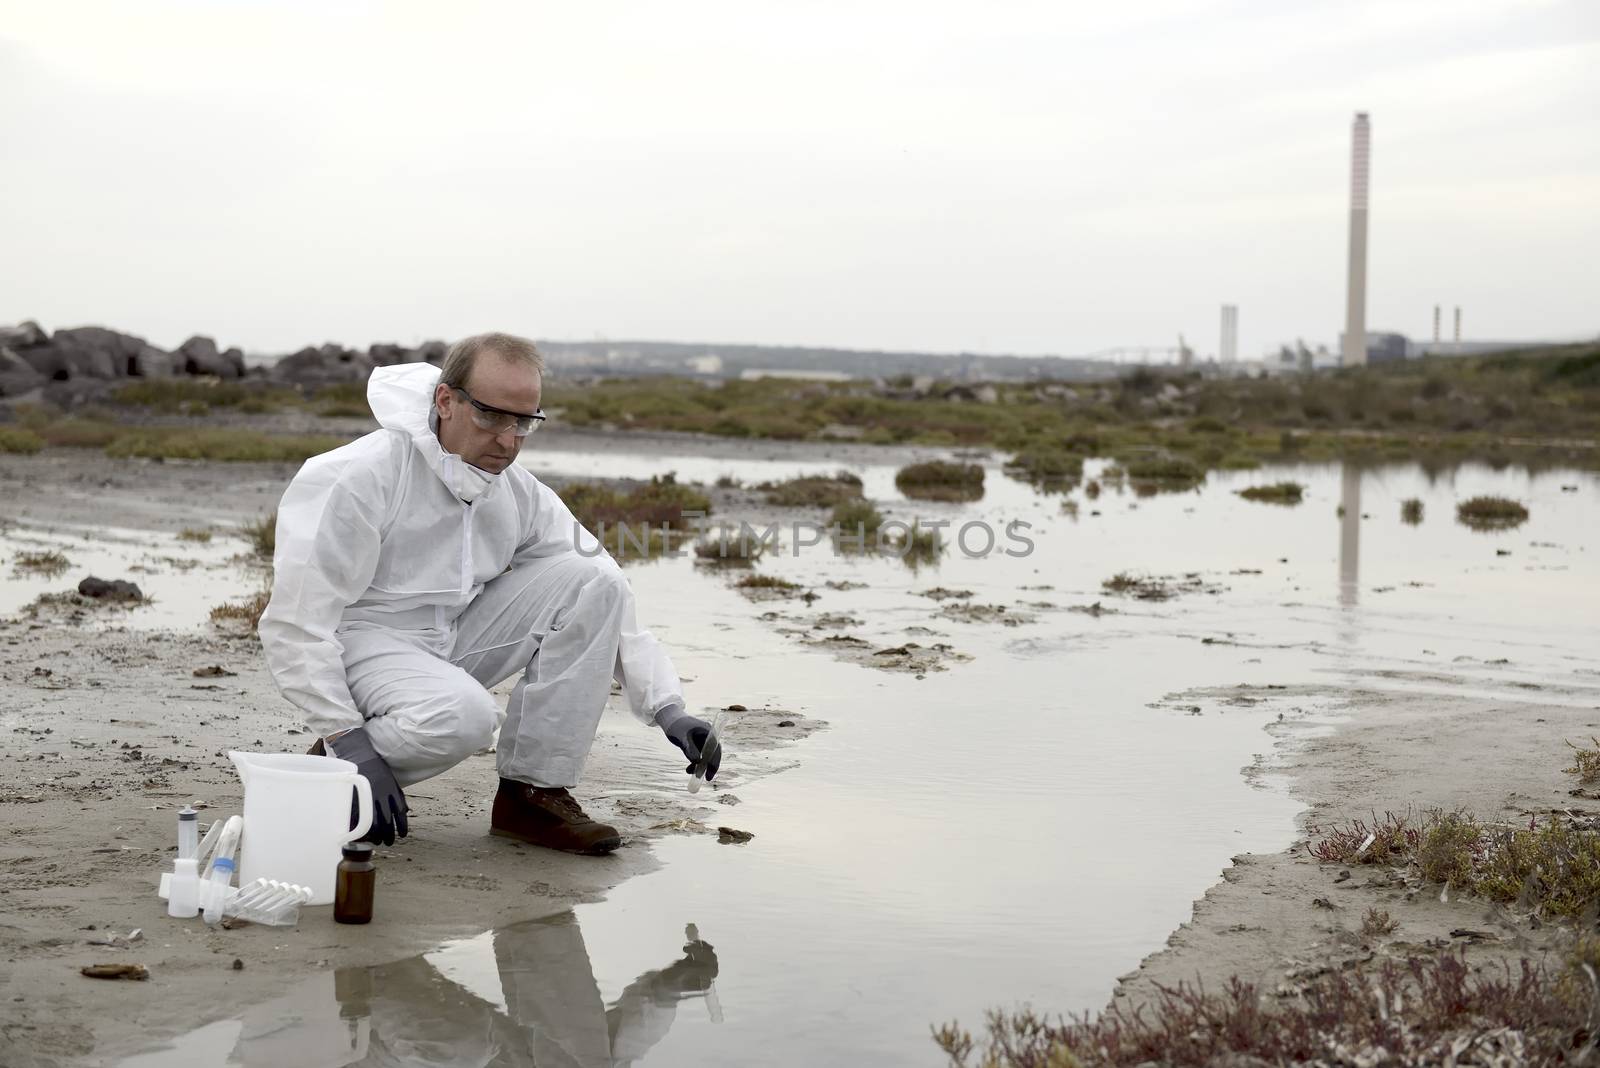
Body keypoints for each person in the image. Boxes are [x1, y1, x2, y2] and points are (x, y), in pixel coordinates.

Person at [259, 332, 720, 854]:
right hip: (363, 644)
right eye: (492, 417)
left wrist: (667, 707)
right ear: (446, 400)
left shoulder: (516, 490)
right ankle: (322, 780)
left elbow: (605, 584)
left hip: (450, 639)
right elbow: (296, 625)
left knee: (593, 578)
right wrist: (346, 735)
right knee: (468, 716)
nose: (508, 441)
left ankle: (532, 795)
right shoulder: (360, 476)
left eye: (524, 421)